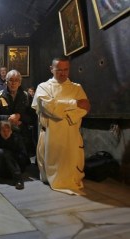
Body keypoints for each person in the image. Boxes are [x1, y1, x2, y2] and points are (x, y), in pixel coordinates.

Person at [32, 57, 90, 195]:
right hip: (51, 134)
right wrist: (73, 104)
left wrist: (64, 111)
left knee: (70, 168)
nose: (63, 73)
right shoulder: (43, 87)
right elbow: (49, 107)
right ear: (51, 69)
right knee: (50, 174)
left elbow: (84, 108)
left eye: (66, 70)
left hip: (70, 134)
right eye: (59, 70)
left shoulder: (77, 88)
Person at [0, 121, 29, 190]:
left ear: (11, 131)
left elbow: (24, 156)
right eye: (4, 131)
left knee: (6, 153)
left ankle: (19, 180)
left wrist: (10, 156)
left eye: (8, 130)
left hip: (15, 168)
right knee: (0, 152)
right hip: (1, 170)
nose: (6, 133)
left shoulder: (17, 138)